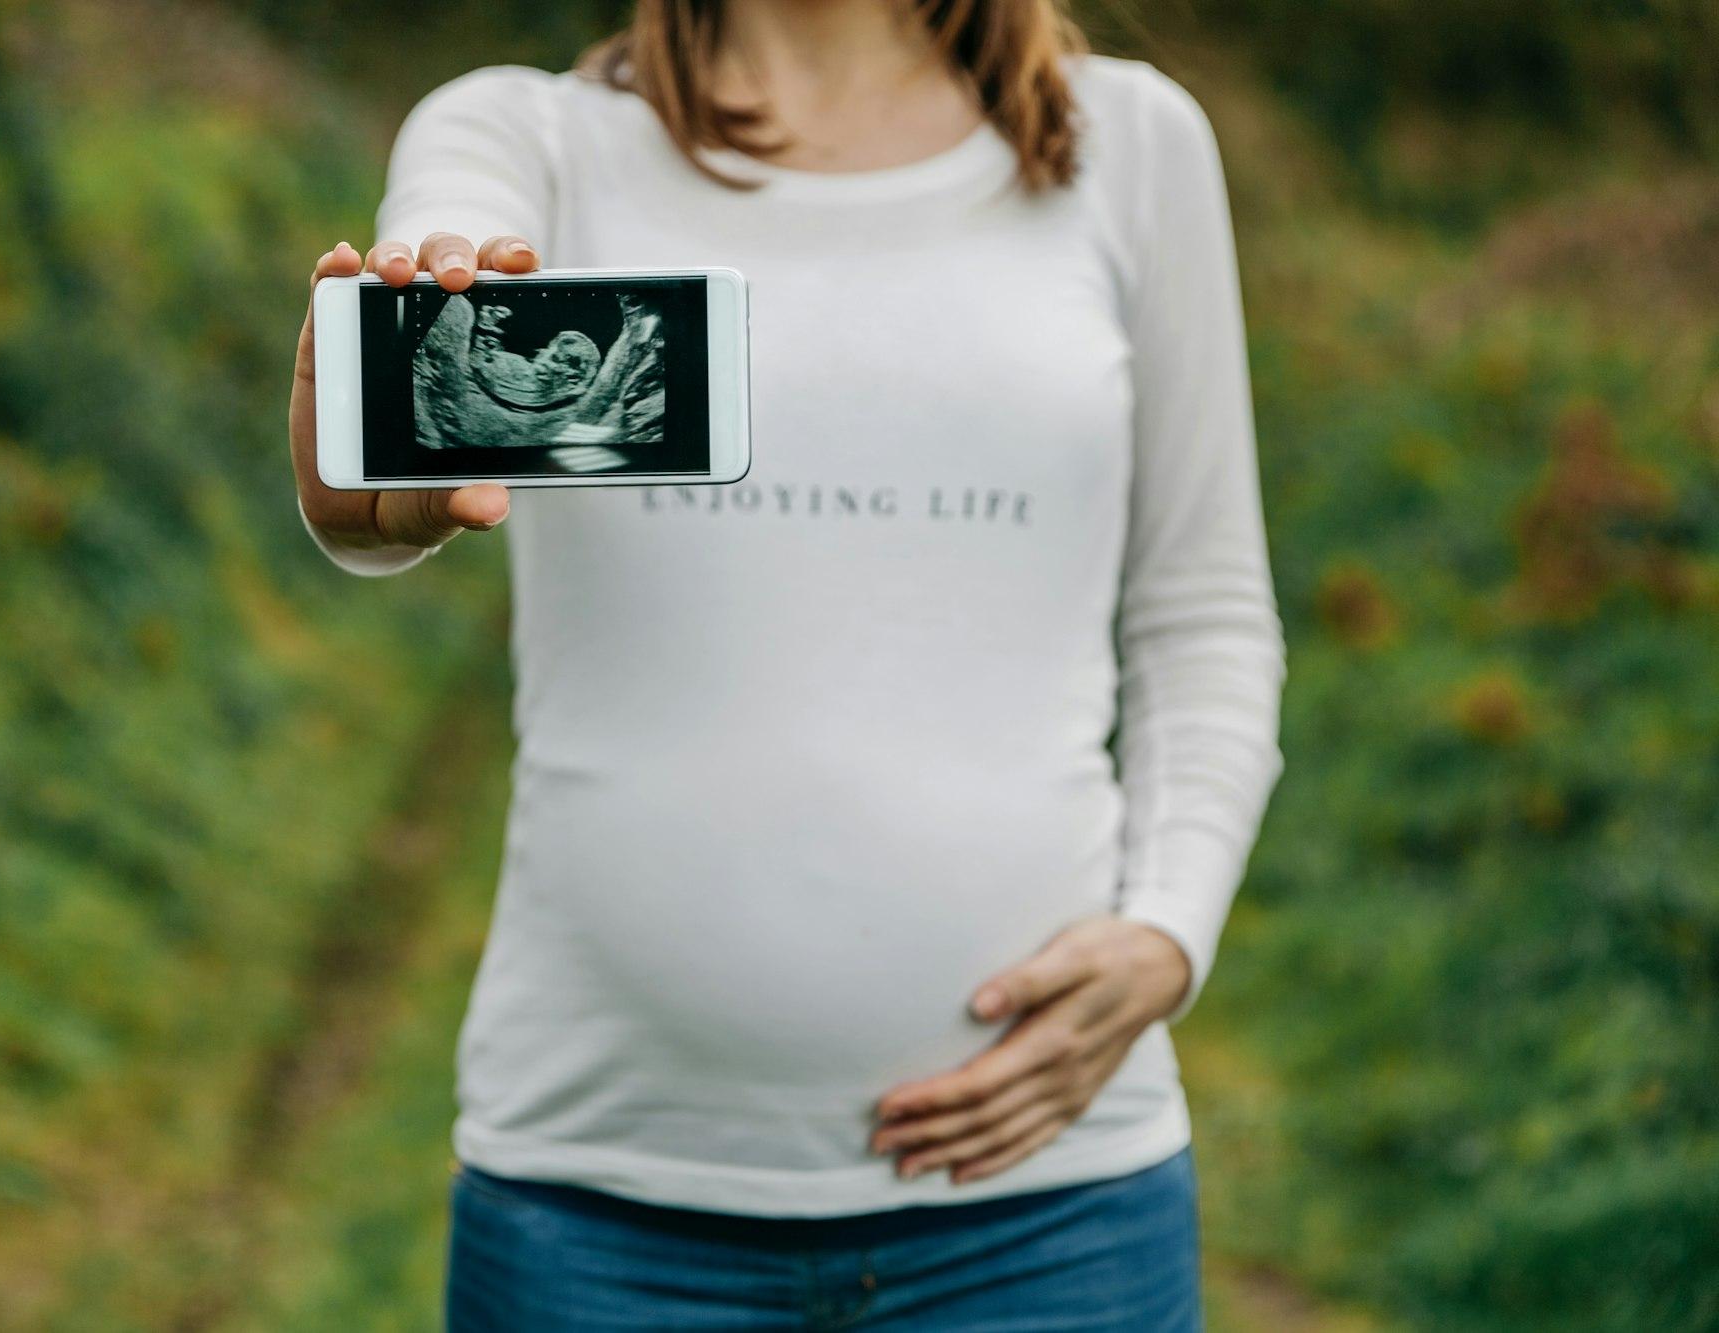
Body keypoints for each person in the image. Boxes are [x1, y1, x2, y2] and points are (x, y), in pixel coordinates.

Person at [286, 0, 1285, 1325]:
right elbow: (440, 276)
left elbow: (1203, 609)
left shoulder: (1140, 147)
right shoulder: (526, 135)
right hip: (601, 1221)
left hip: (1050, 1219)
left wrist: (1169, 928)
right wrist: (390, 454)